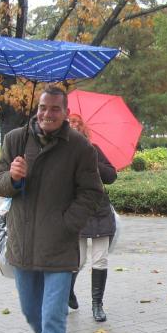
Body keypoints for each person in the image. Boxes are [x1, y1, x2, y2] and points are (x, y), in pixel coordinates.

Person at [0, 86, 103, 333]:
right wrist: (12, 178)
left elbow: (92, 192)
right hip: (23, 244)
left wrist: (67, 224)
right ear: (36, 108)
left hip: (59, 247)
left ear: (65, 113)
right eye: (43, 107)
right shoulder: (15, 140)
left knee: (53, 316)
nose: (47, 114)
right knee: (32, 312)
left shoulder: (79, 147)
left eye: (55, 108)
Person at [66, 113, 118, 322]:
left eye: (77, 125)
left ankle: (97, 305)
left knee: (100, 258)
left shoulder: (93, 150)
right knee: (77, 260)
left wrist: (94, 163)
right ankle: (67, 292)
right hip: (76, 212)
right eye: (69, 125)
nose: (74, 128)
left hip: (99, 211)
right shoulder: (61, 155)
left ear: (83, 130)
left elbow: (111, 176)